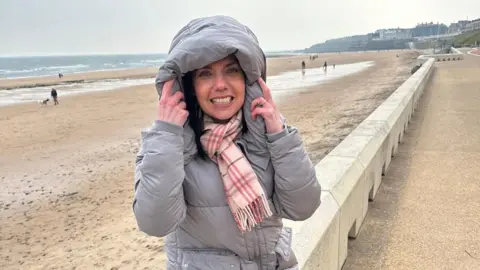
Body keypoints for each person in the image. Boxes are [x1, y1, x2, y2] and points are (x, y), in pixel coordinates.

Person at [132, 15, 321, 270]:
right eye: (205, 74)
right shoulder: (166, 144)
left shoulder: (267, 133)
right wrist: (166, 136)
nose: (220, 85)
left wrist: (280, 137)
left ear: (248, 78)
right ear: (189, 85)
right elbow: (156, 222)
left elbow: (303, 207)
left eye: (231, 70)